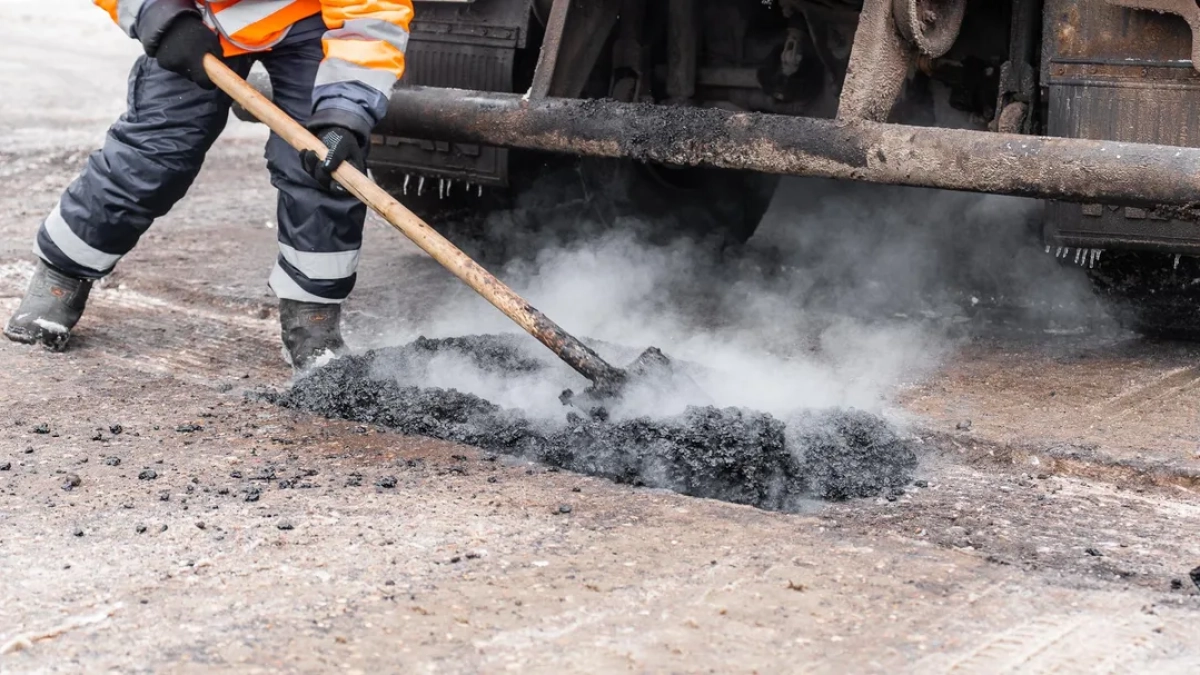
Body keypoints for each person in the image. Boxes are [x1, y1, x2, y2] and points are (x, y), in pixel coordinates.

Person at [4, 0, 413, 371]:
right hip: (191, 14)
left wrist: (345, 111)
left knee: (324, 166)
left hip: (313, 18)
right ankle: (62, 273)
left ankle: (314, 318)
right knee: (152, 157)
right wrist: (157, 13)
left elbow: (372, 12)